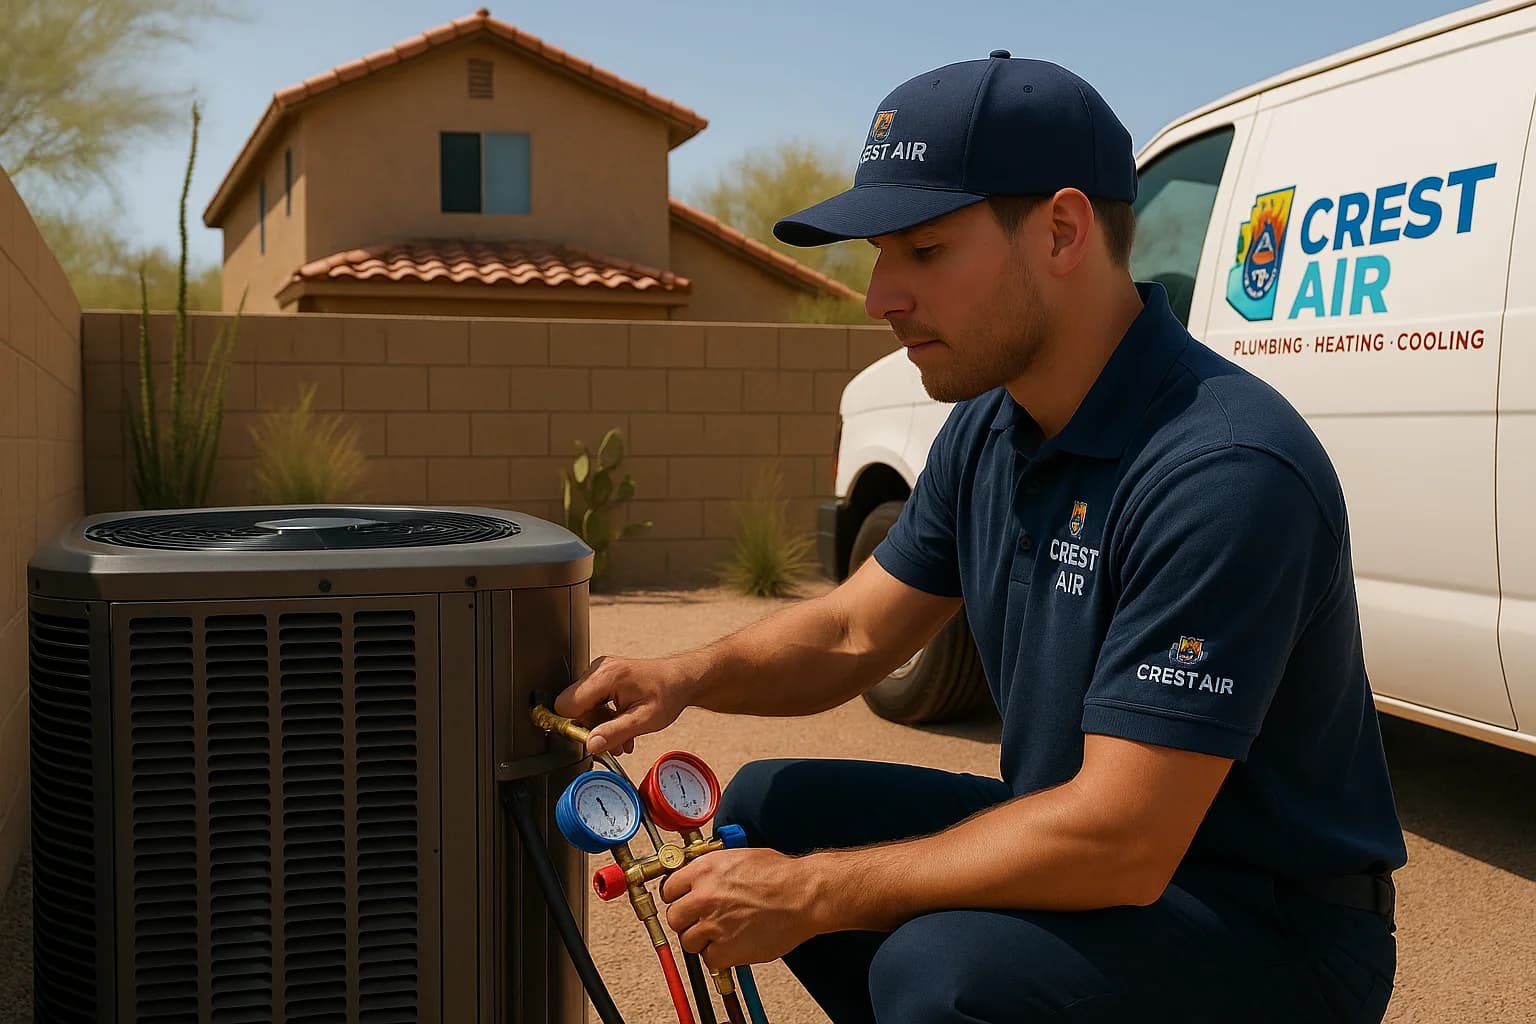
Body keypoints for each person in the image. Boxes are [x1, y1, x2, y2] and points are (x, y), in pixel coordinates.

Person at [555, 51, 1407, 1024]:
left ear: (1061, 230)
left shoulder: (1222, 467)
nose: (880, 296)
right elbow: (851, 635)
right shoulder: (994, 427)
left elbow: (1123, 838)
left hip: (1266, 930)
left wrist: (813, 896)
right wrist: (684, 677)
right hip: (1110, 862)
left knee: (939, 971)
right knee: (778, 807)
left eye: (922, 249)